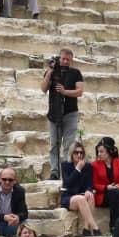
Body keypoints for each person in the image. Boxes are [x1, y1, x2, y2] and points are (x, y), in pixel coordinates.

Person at [42, 48, 83, 181]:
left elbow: (79, 91)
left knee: (69, 145)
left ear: (71, 60)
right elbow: (43, 89)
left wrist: (65, 92)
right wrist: (49, 72)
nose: (65, 61)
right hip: (54, 113)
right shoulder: (52, 72)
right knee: (54, 144)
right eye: (63, 59)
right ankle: (54, 171)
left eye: (68, 59)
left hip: (70, 113)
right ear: (59, 59)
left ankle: (67, 171)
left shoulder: (76, 73)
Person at [62, 141, 99, 236]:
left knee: (90, 196)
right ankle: (95, 227)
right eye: (76, 152)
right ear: (71, 154)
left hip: (82, 195)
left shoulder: (88, 166)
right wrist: (77, 169)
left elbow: (90, 184)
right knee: (81, 198)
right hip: (68, 197)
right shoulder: (65, 165)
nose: (79, 155)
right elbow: (67, 184)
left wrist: (88, 190)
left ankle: (86, 229)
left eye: (81, 152)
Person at [91, 136, 119, 231]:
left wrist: (118, 186)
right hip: (102, 196)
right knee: (114, 193)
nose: (99, 154)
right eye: (98, 151)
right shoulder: (95, 165)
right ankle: (114, 226)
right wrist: (107, 187)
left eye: (101, 151)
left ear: (109, 151)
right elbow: (94, 184)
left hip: (117, 192)